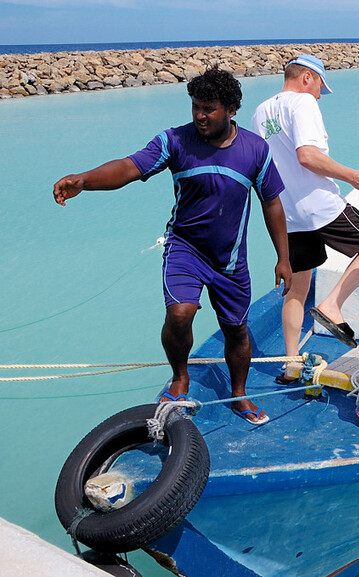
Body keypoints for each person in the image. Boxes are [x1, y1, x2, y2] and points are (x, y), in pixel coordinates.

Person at [52, 68, 291, 425]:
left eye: (208, 108)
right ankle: (180, 377)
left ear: (231, 109)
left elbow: (272, 203)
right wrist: (85, 180)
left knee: (236, 330)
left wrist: (283, 258)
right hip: (185, 249)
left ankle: (239, 394)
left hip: (229, 259)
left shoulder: (256, 150)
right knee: (180, 314)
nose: (199, 115)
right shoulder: (175, 141)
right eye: (195, 106)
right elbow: (129, 167)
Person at [251, 54, 359, 381]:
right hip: (319, 205)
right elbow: (307, 156)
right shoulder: (303, 104)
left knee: (296, 289)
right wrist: (352, 176)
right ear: (308, 78)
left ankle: (292, 364)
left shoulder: (259, 112)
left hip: (286, 213)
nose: (318, 97)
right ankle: (332, 306)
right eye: (319, 89)